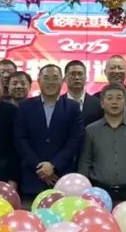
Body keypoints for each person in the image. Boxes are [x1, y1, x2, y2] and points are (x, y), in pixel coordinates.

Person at [15, 64, 85, 196]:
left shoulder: (73, 107)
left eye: (55, 78)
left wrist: (54, 165)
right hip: (32, 178)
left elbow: (75, 139)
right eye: (46, 78)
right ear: (38, 80)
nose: (50, 82)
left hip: (62, 178)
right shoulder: (25, 106)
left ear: (62, 81)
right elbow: (21, 139)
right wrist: (40, 168)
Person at [78, 84, 126, 203]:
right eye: (110, 98)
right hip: (98, 192)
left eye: (119, 98)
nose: (114, 102)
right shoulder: (90, 131)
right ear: (102, 103)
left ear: (125, 103)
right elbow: (85, 163)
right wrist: (83, 192)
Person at [63, 59, 102, 127]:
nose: (77, 77)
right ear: (65, 78)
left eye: (80, 74)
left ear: (86, 78)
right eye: (73, 74)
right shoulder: (57, 103)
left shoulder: (97, 104)